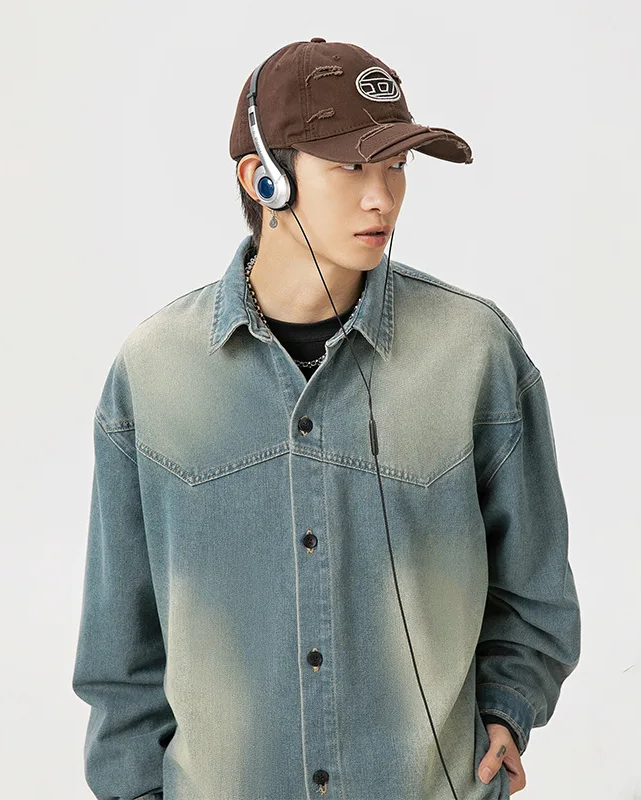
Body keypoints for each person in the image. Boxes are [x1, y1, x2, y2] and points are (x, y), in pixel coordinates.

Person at [72, 37, 581, 800]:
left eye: (397, 165)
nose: (383, 197)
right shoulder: (155, 374)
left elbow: (533, 584)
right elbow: (121, 647)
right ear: (264, 179)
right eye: (350, 167)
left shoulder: (474, 352)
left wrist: (509, 705)